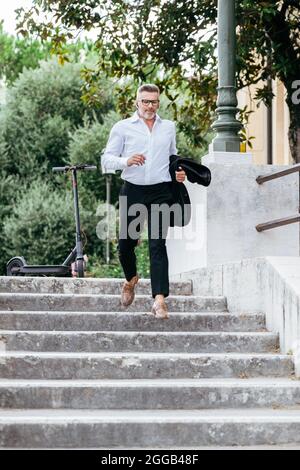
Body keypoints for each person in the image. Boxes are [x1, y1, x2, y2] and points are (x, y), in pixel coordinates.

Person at [101, 84, 186, 319]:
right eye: (145, 101)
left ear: (159, 103)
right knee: (126, 244)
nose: (150, 106)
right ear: (137, 102)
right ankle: (130, 280)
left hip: (161, 191)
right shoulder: (122, 128)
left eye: (154, 101)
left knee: (158, 245)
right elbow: (106, 160)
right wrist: (126, 160)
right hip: (133, 191)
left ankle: (159, 300)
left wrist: (177, 173)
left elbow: (172, 157)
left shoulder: (168, 127)